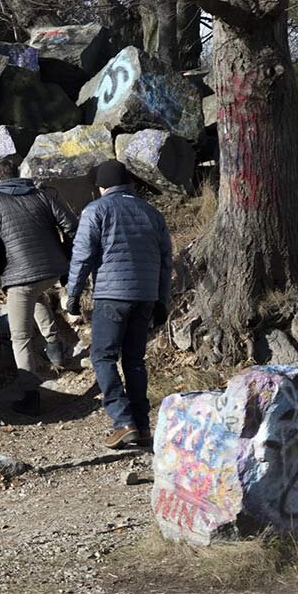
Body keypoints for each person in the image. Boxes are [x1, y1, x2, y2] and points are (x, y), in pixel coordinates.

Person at [66, 160, 174, 450]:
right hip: (146, 297)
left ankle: (122, 421)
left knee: (103, 358)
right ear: (128, 184)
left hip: (112, 296)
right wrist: (162, 300)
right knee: (135, 361)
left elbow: (83, 255)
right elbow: (166, 262)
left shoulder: (96, 210)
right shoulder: (152, 213)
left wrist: (73, 295)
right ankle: (142, 426)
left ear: (103, 186)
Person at [0, 156, 82, 417]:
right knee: (37, 297)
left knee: (20, 337)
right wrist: (65, 258)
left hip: (20, 277)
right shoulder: (42, 195)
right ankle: (56, 351)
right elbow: (71, 226)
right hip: (51, 271)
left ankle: (30, 396)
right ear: (18, 174)